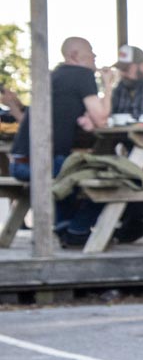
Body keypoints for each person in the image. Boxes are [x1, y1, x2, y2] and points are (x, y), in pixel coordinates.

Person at [9, 37, 126, 248]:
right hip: (40, 164)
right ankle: (78, 230)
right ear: (74, 55)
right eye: (90, 51)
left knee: (70, 167)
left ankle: (65, 228)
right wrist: (108, 85)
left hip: (20, 162)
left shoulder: (54, 76)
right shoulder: (81, 75)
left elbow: (85, 119)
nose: (94, 56)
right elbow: (101, 119)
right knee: (113, 177)